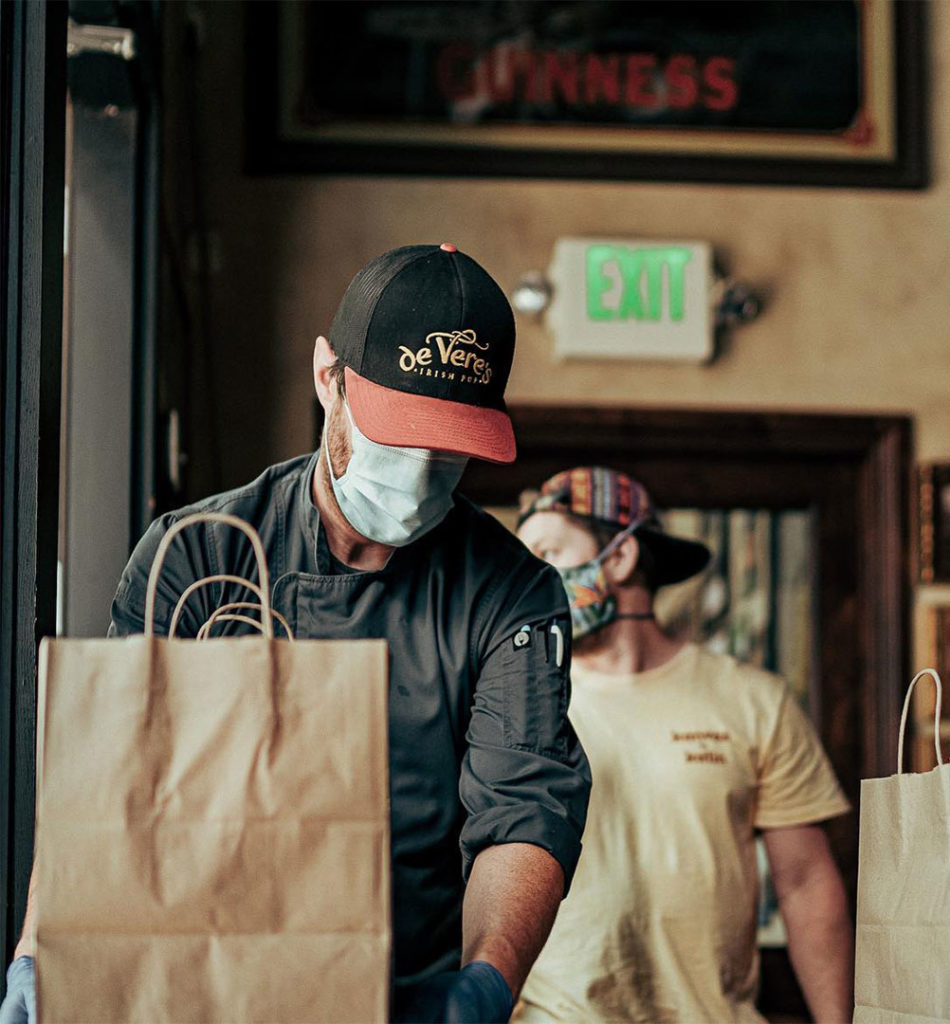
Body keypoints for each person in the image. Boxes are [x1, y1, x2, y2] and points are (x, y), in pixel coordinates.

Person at [0, 244, 591, 1024]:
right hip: (196, 982)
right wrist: (42, 950)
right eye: (396, 434)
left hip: (402, 990)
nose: (418, 473)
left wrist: (484, 981)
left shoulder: (513, 594)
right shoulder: (200, 552)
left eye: (447, 449)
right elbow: (109, 788)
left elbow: (520, 811)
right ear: (328, 378)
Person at [514, 466, 854, 1024]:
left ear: (620, 558)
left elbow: (805, 883)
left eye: (549, 552)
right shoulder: (514, 706)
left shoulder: (753, 700)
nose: (533, 579)